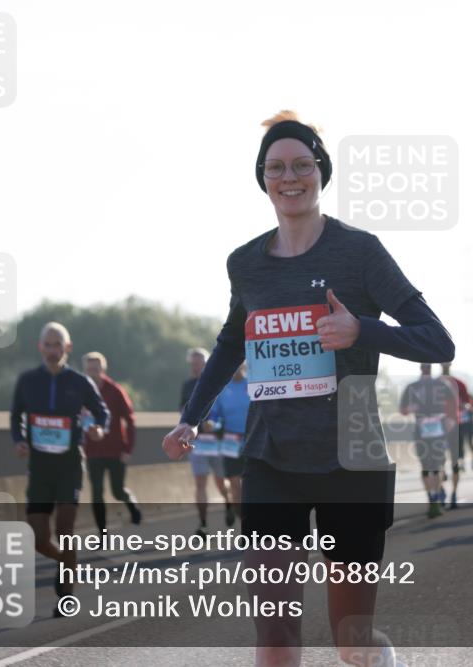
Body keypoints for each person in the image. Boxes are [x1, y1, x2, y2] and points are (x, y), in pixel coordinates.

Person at [161, 111, 454, 667]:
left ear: (321, 173)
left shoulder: (359, 252)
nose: (289, 177)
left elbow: (438, 342)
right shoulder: (245, 263)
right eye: (276, 167)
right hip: (271, 461)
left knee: (352, 644)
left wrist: (360, 330)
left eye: (301, 165)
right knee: (275, 642)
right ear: (262, 178)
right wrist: (191, 417)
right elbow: (231, 342)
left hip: (353, 459)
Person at [10, 322, 109, 616]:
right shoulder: (28, 381)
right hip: (40, 465)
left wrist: (98, 429)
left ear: (68, 348)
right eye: (48, 345)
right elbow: (17, 416)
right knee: (37, 536)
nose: (53, 350)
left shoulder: (79, 382)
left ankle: (66, 593)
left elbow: (102, 412)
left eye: (58, 345)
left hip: (69, 464)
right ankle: (65, 563)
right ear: (41, 347)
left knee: (65, 530)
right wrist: (19, 440)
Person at [81, 351, 141, 533]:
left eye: (96, 369)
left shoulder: (115, 390)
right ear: (85, 370)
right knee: (97, 492)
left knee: (117, 490)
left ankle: (131, 504)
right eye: (90, 369)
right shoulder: (80, 391)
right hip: (92, 452)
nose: (93, 372)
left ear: (103, 369)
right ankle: (103, 533)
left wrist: (128, 448)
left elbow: (130, 420)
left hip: (115, 450)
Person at [180, 347, 231, 536]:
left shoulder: (218, 383)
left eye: (199, 363)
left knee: (220, 481)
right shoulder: (187, 386)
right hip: (197, 442)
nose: (196, 367)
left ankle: (228, 503)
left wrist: (215, 425)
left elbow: (226, 412)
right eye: (193, 364)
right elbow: (182, 413)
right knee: (200, 483)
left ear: (207, 363)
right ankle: (203, 523)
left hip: (216, 441)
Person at [401, 363, 457, 518]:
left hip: (438, 429)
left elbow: (454, 404)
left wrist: (451, 420)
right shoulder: (412, 387)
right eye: (424, 367)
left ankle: (437, 497)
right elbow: (402, 409)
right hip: (421, 430)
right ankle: (431, 498)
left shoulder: (442, 385)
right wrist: (409, 409)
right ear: (421, 368)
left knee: (437, 465)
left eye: (428, 366)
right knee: (426, 466)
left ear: (431, 368)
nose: (426, 369)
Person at [207, 361, 251, 527]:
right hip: (230, 442)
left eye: (238, 366)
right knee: (235, 485)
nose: (235, 369)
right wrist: (212, 424)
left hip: (252, 440)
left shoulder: (252, 383)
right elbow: (215, 416)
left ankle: (257, 524)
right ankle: (244, 525)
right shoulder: (223, 389)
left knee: (252, 486)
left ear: (243, 367)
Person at [441, 362, 473, 470]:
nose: (445, 365)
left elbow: (468, 404)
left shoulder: (460, 384)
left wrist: (464, 406)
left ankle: (468, 459)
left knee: (466, 441)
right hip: (441, 420)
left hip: (460, 420)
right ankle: (443, 468)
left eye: (447, 363)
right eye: (443, 363)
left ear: (450, 365)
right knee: (440, 445)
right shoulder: (436, 383)